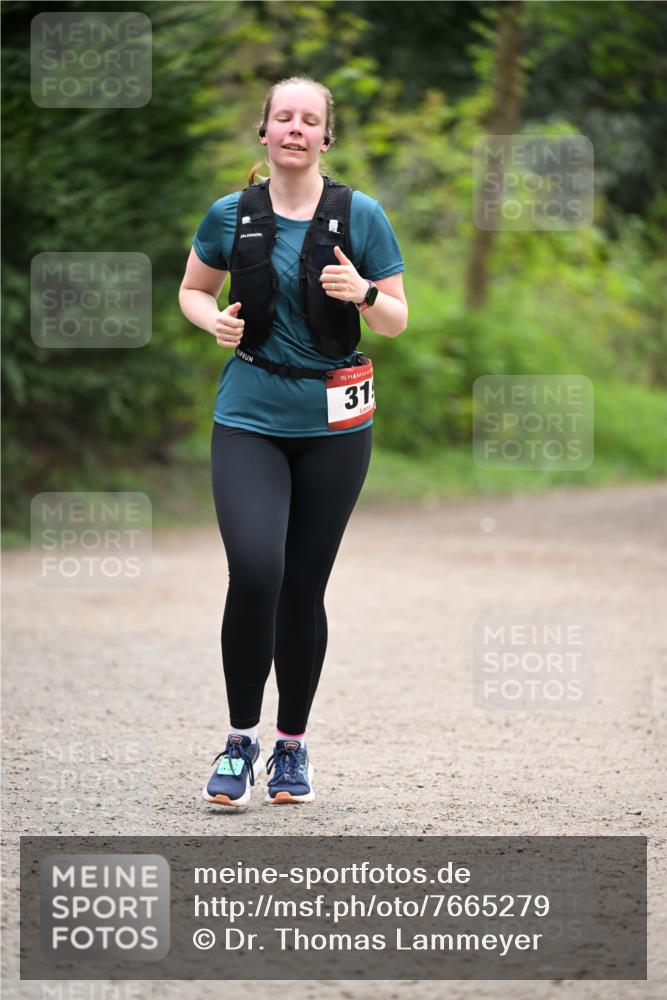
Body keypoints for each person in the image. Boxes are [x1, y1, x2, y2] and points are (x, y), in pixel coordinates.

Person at [179, 76, 407, 808]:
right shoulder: (229, 214)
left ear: (325, 137)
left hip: (337, 426)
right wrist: (208, 319)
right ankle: (238, 740)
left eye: (310, 120)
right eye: (284, 117)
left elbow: (399, 317)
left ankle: (291, 749)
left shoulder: (360, 215)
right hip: (248, 414)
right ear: (264, 131)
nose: (296, 129)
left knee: (303, 587)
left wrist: (365, 296)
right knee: (254, 570)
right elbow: (191, 289)